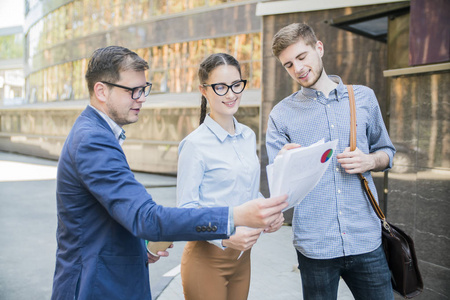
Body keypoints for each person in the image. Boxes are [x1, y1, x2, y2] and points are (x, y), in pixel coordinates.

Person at [51, 46, 288, 300]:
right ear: (101, 91)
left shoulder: (99, 134)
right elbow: (147, 218)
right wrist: (233, 218)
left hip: (111, 277)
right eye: (133, 91)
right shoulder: (92, 140)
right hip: (96, 286)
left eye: (144, 89)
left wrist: (141, 247)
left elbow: (113, 215)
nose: (141, 98)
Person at [266, 23, 396, 300]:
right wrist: (284, 164)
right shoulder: (281, 115)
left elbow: (387, 153)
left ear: (319, 48)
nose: (298, 68)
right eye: (288, 64)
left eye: (302, 57)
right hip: (315, 246)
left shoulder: (363, 97)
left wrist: (370, 160)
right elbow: (278, 190)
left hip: (366, 240)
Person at [176, 53, 284, 300]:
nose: (231, 94)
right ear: (204, 91)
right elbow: (186, 211)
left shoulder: (247, 135)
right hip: (206, 259)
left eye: (236, 85)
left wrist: (269, 213)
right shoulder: (194, 145)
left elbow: (247, 191)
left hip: (242, 258)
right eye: (221, 87)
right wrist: (225, 238)